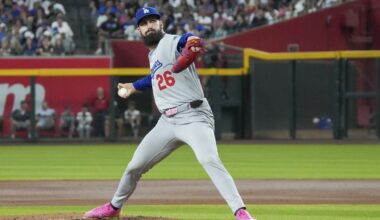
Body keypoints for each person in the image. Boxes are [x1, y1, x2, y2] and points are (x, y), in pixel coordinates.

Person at [83, 6, 255, 220]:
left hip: (193, 117)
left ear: (161, 24)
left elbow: (189, 40)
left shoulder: (171, 42)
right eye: (144, 24)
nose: (149, 26)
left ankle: (240, 212)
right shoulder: (153, 54)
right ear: (138, 30)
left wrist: (193, 41)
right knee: (134, 166)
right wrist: (134, 86)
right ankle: (114, 206)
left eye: (153, 21)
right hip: (167, 122)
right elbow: (156, 77)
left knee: (208, 159)